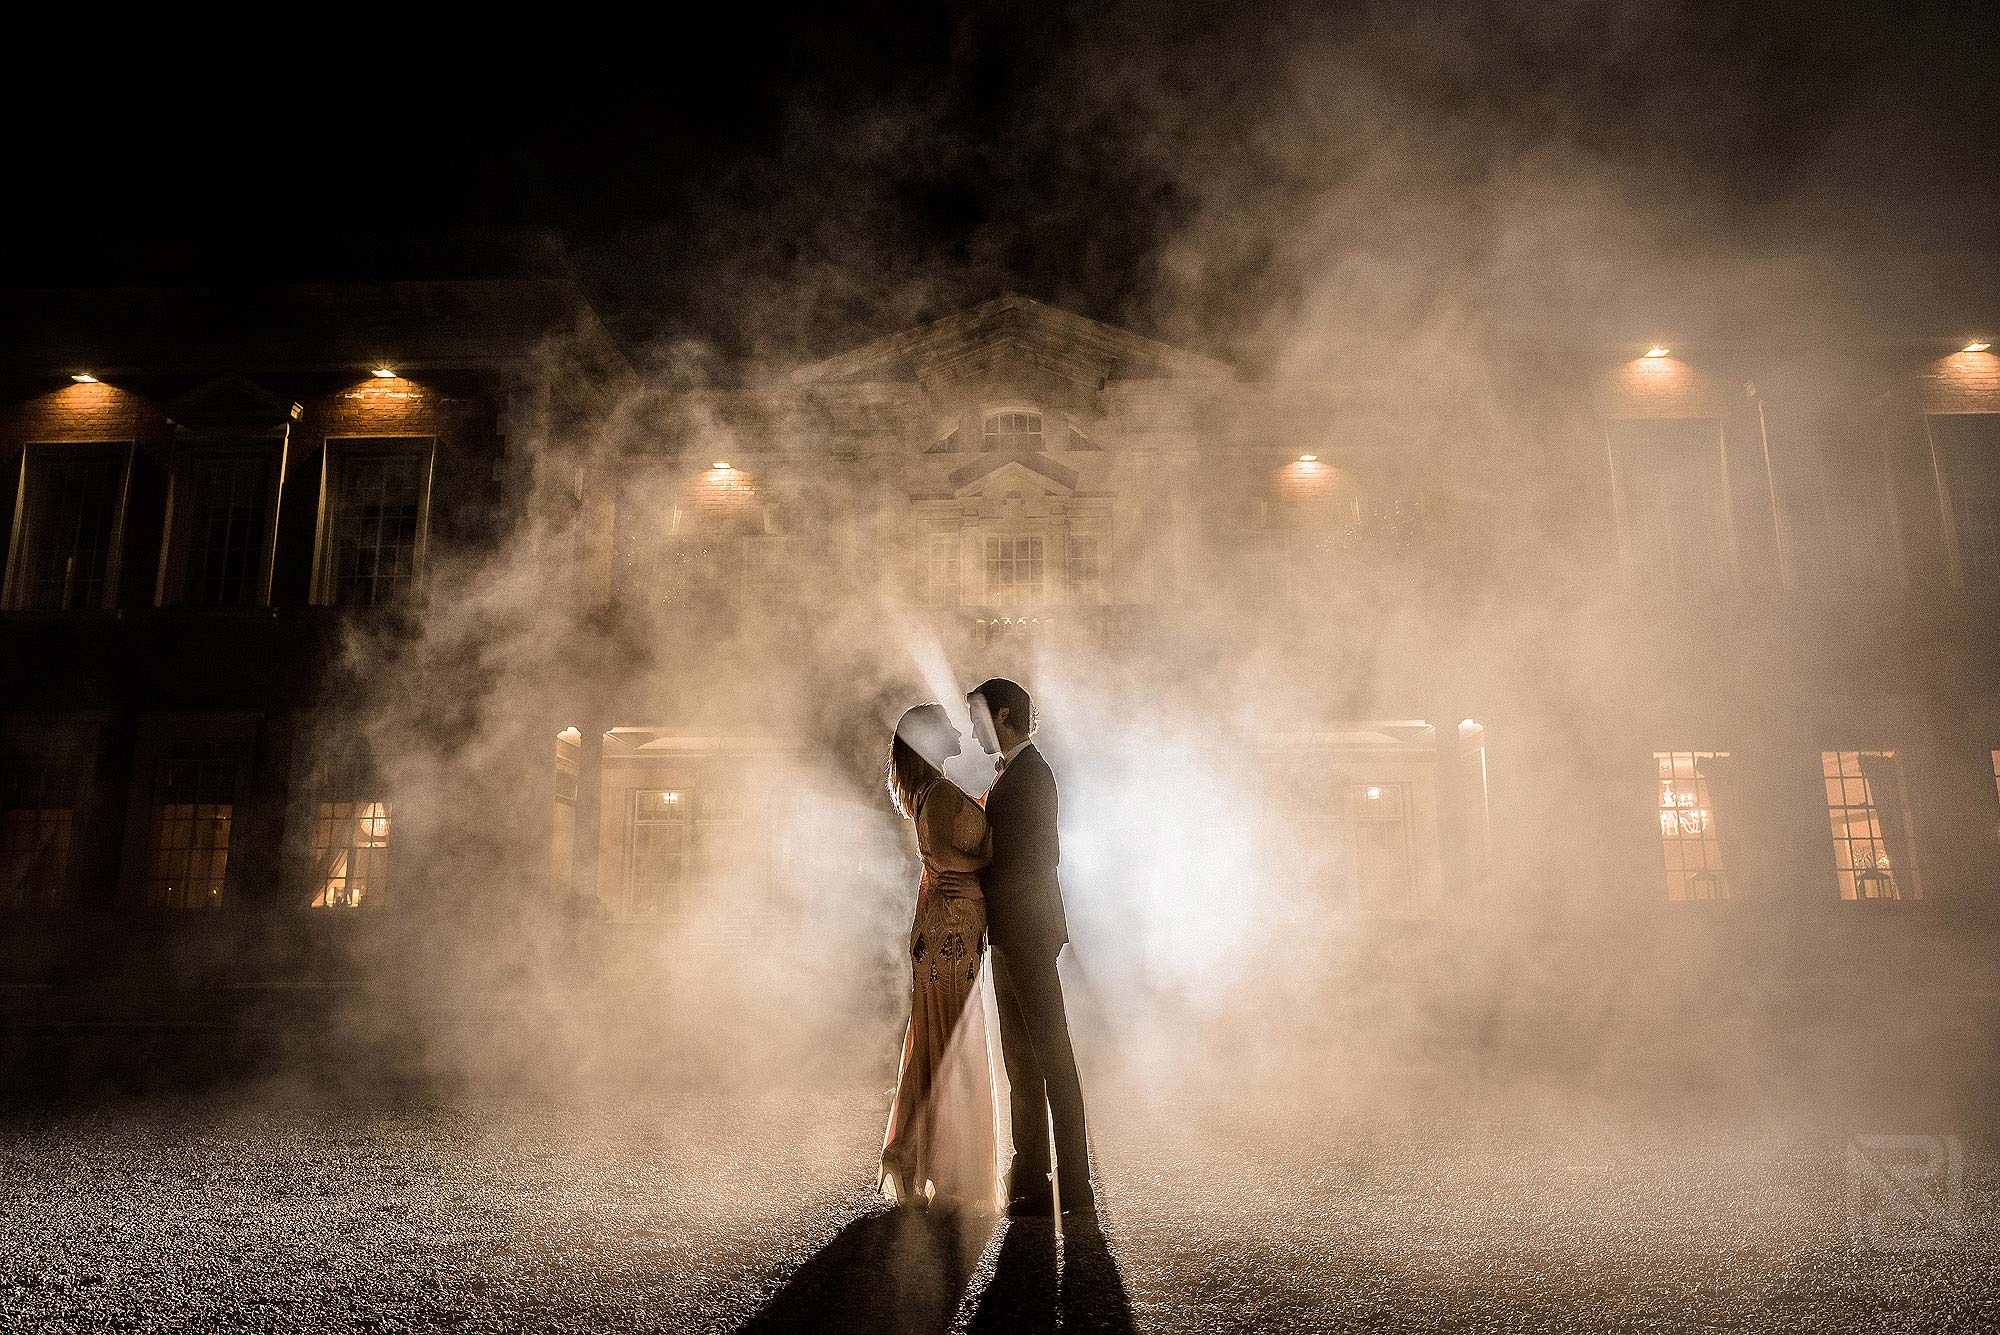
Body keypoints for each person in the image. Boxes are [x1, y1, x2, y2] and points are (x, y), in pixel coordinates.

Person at [968, 677, 1094, 1218]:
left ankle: (1070, 1183)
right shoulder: (1020, 774)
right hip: (1019, 931)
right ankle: (1036, 1179)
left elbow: (1034, 860)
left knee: (1049, 1056)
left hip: (1025, 930)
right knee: (1024, 1059)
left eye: (977, 717)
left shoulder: (1030, 776)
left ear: (1002, 715)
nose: (974, 728)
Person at [878, 703, 1000, 1210]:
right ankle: (941, 1167)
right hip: (952, 934)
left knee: (933, 1043)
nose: (958, 731)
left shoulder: (931, 795)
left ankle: (911, 1156)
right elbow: (970, 854)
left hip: (941, 932)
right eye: (947, 726)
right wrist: (989, 848)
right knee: (952, 1044)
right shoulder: (943, 797)